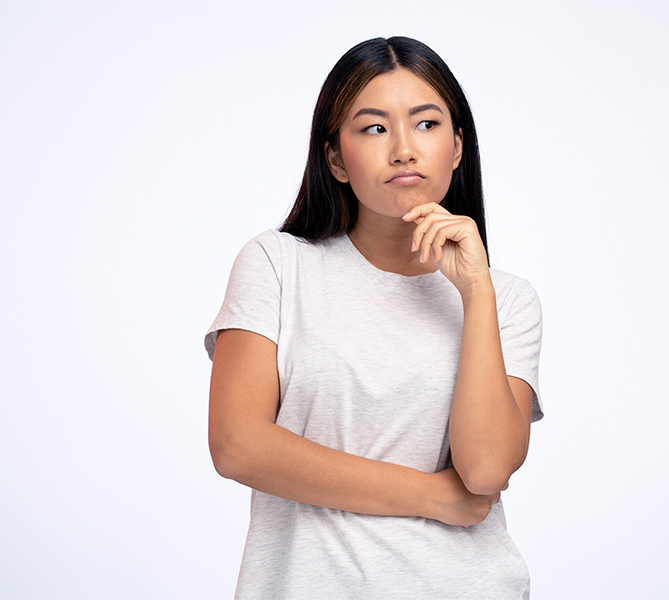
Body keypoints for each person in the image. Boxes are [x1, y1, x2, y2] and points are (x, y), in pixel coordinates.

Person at [205, 36, 543, 599]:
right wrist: (431, 496)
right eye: (375, 128)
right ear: (336, 157)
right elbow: (238, 444)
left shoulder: (506, 299)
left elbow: (485, 472)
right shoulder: (277, 265)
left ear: (458, 147)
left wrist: (475, 293)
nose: (405, 149)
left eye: (427, 124)